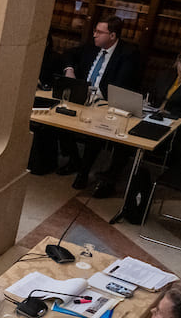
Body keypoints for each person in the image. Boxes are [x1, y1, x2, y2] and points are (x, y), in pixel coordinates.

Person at [56, 16, 141, 191]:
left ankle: (84, 172)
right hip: (82, 98)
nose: (94, 35)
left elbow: (122, 84)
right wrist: (69, 69)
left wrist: (96, 93)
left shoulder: (128, 54)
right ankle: (74, 160)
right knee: (58, 119)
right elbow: (68, 54)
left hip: (105, 104)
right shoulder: (91, 48)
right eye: (95, 31)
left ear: (112, 36)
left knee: (96, 131)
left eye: (99, 32)